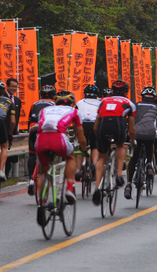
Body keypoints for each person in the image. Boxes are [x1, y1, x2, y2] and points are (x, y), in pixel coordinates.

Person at [34, 91, 88, 224]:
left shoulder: (44, 110)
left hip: (40, 139)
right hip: (58, 138)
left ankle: (41, 203)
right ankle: (69, 187)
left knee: (44, 171)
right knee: (70, 157)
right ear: (71, 103)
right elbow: (81, 136)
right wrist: (84, 149)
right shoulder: (75, 112)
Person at [92, 80, 136, 206]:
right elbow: (131, 129)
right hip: (117, 125)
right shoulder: (129, 103)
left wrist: (99, 138)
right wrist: (132, 141)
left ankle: (97, 188)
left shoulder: (103, 101)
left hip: (102, 127)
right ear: (126, 92)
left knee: (102, 157)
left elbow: (96, 125)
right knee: (120, 145)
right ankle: (118, 175)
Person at [125, 86, 157, 199]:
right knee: (150, 145)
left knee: (134, 158)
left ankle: (129, 184)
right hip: (150, 133)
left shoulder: (135, 105)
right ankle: (149, 165)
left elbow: (129, 121)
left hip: (136, 133)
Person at [26, 85, 57, 195]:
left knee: (32, 154)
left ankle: (30, 179)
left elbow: (29, 120)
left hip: (34, 129)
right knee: (49, 153)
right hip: (47, 129)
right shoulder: (55, 104)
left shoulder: (34, 104)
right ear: (54, 95)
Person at [75, 84, 102, 182]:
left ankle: (78, 170)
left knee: (81, 147)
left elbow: (75, 117)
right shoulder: (101, 102)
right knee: (95, 146)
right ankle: (94, 164)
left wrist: (76, 133)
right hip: (94, 123)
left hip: (82, 125)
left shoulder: (79, 102)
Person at [4, 78, 22, 178]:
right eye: (12, 86)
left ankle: (10, 173)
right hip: (4, 129)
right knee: (4, 152)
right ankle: (5, 173)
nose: (14, 88)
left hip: (14, 131)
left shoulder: (17, 100)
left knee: (12, 153)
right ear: (7, 86)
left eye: (16, 86)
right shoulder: (2, 98)